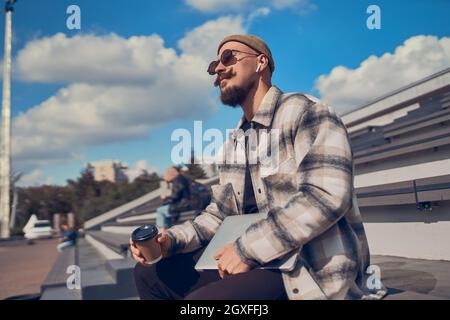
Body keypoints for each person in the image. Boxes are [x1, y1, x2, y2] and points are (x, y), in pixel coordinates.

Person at [131, 34, 387, 300]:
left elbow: (325, 196)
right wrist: (169, 241)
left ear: (260, 62)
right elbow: (219, 215)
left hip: (305, 266)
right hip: (254, 260)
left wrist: (246, 250)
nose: (218, 69)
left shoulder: (306, 112)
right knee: (148, 276)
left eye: (228, 57)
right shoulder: (234, 141)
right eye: (213, 65)